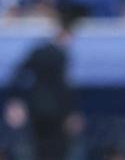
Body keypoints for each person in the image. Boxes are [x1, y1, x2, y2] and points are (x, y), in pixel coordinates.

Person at [5, 9, 84, 160]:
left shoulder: (38, 51)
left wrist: (15, 100)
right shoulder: (60, 55)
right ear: (65, 34)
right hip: (56, 113)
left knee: (40, 151)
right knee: (56, 150)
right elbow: (63, 87)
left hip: (37, 110)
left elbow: (17, 75)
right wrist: (71, 112)